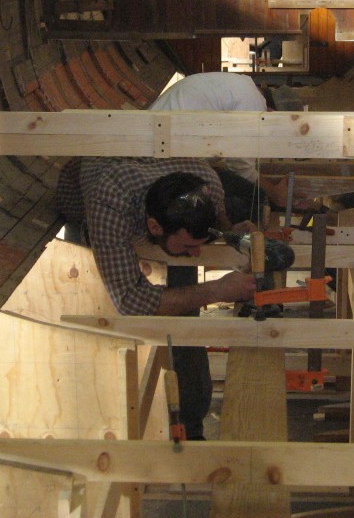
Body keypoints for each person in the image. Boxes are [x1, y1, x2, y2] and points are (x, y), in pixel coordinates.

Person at [56, 156, 256, 439]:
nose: (197, 255)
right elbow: (129, 300)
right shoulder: (109, 204)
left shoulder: (206, 182)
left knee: (185, 323)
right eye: (190, 245)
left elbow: (216, 225)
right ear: (154, 227)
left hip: (147, 189)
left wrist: (231, 235)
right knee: (108, 327)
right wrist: (217, 289)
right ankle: (106, 428)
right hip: (87, 203)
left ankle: (189, 431)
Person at [149, 72, 294, 217]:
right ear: (273, 112)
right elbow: (241, 167)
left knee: (231, 183)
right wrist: (273, 193)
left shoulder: (243, 88)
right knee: (257, 203)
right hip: (164, 157)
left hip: (160, 145)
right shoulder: (253, 104)